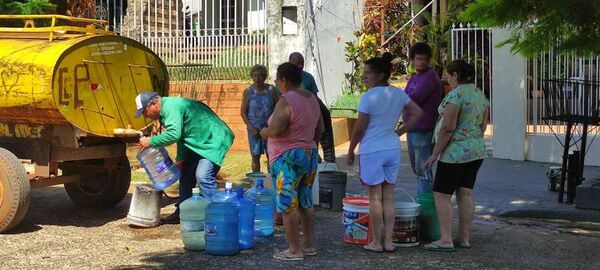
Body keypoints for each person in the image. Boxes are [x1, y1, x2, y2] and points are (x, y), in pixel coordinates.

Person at [347, 53, 423, 252]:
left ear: (380, 75)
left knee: (374, 197)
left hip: (372, 150)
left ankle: (376, 242)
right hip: (392, 147)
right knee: (388, 196)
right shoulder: (398, 93)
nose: (364, 77)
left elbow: (359, 128)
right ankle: (389, 242)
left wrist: (350, 148)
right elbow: (417, 113)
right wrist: (400, 131)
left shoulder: (369, 96)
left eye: (368, 73)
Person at [136, 91, 234, 224]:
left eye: (144, 112)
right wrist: (181, 159)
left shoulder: (170, 108)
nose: (146, 116)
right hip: (198, 142)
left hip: (213, 139)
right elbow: (182, 136)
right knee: (186, 174)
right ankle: (182, 212)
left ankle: (216, 216)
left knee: (203, 176)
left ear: (153, 104)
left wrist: (150, 141)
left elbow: (173, 134)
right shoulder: (165, 111)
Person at [422, 60, 490, 252]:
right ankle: (464, 238)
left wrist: (435, 154)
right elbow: (483, 126)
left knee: (441, 195)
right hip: (476, 151)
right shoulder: (479, 94)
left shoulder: (455, 95)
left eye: (448, 75)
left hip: (454, 154)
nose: (446, 79)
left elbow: (448, 127)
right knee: (465, 193)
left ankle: (445, 239)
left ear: (455, 76)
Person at [260, 62, 324, 261]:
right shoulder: (312, 98)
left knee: (288, 204)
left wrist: (264, 132)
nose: (276, 83)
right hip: (309, 153)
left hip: (286, 157)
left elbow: (277, 129)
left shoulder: (286, 99)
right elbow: (320, 128)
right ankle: (308, 245)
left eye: (277, 80)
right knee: (305, 200)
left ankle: (294, 250)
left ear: (284, 80)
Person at [404, 42, 442, 194]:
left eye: (425, 59)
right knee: (418, 168)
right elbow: (405, 97)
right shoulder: (415, 77)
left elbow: (413, 98)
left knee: (423, 169)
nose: (422, 62)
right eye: (418, 59)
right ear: (412, 61)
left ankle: (426, 206)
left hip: (423, 129)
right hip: (413, 128)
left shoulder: (430, 77)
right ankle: (423, 201)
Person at [288, 52, 336, 163]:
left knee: (325, 113)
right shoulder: (284, 76)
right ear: (290, 62)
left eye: (302, 63)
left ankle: (329, 156)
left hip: (309, 107)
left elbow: (314, 97)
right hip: (291, 109)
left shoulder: (308, 77)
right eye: (297, 63)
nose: (300, 66)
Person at [240, 64, 277, 173]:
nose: (257, 78)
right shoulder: (248, 92)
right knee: (255, 156)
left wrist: (274, 125)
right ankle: (256, 183)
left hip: (269, 129)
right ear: (251, 76)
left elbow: (278, 107)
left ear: (265, 76)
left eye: (260, 75)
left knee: (271, 156)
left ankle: (271, 181)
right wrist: (250, 127)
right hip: (254, 129)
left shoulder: (271, 90)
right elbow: (243, 112)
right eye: (255, 75)